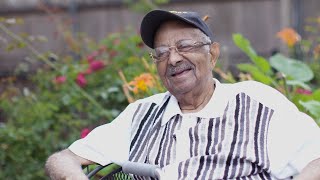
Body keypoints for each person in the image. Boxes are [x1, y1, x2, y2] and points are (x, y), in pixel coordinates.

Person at [45, 9, 320, 180]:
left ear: (212, 54)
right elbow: (62, 159)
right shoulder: (142, 113)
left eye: (185, 46)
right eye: (161, 53)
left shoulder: (256, 103)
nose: (173, 58)